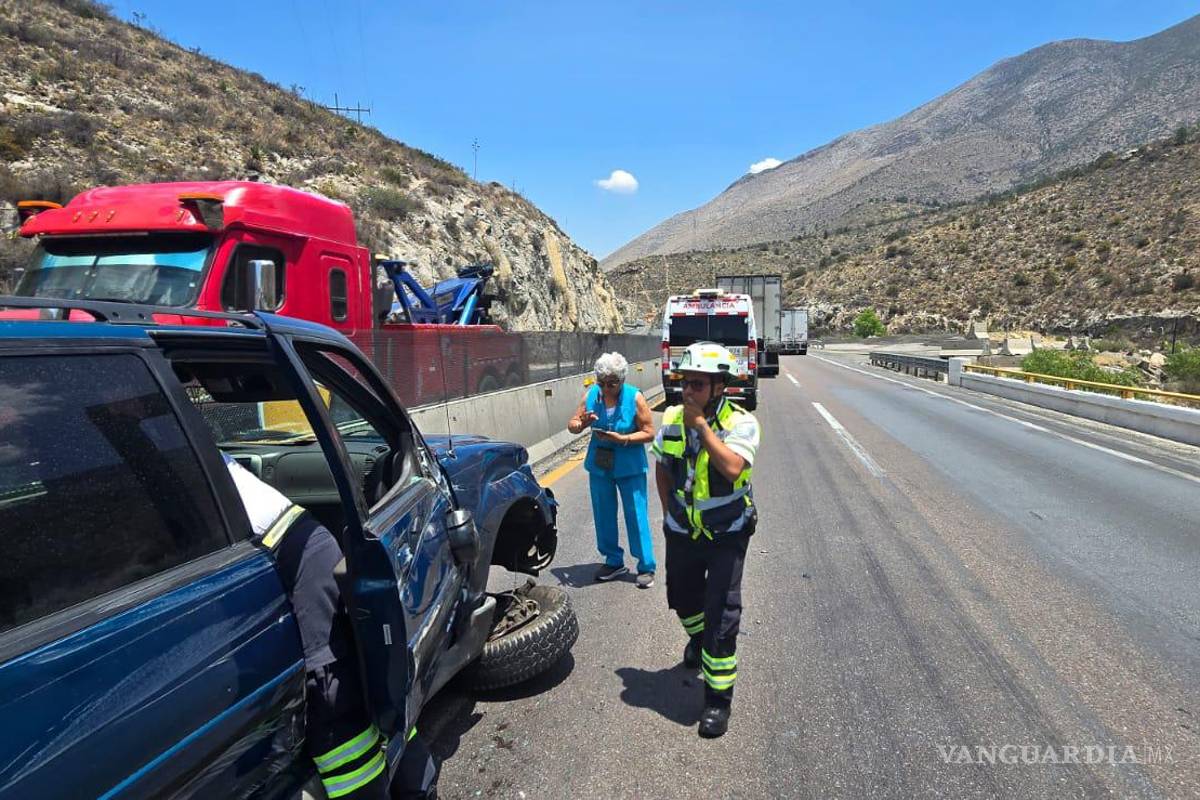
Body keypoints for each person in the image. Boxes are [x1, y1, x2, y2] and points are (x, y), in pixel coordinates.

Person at [222, 454, 439, 799]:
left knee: (336, 697)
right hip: (301, 549)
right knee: (372, 687)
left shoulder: (164, 454)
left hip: (297, 554)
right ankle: (416, 781)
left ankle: (407, 786)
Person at [650, 342, 761, 738]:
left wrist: (701, 426)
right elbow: (663, 466)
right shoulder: (674, 418)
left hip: (726, 533)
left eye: (697, 384)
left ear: (719, 387)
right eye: (684, 383)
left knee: (722, 615)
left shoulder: (742, 423)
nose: (687, 392)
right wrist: (667, 513)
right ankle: (697, 640)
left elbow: (732, 468)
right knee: (682, 598)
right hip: (683, 531)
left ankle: (717, 700)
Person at [567, 352, 657, 587]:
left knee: (636, 514)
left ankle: (646, 565)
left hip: (629, 465)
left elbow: (649, 432)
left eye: (612, 383)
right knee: (603, 514)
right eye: (602, 383)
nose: (606, 388)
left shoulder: (635, 397)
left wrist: (623, 439)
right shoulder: (592, 395)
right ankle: (613, 560)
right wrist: (582, 423)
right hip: (600, 465)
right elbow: (572, 425)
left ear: (622, 379)